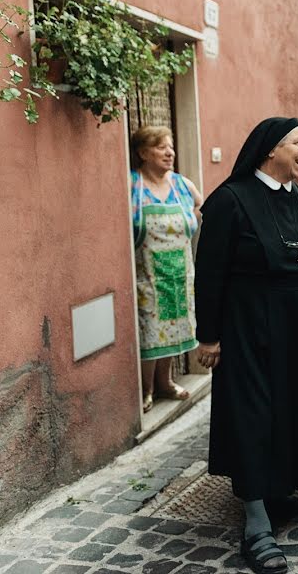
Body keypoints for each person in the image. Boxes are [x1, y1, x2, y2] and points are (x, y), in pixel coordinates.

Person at [194, 117, 298, 574]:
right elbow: (209, 274)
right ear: (270, 150)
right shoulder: (230, 201)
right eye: (297, 143)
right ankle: (254, 523)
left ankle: (278, 490)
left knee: (293, 408)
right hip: (249, 325)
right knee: (253, 413)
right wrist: (208, 335)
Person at [129, 126, 202, 413]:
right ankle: (146, 389)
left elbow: (201, 204)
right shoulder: (133, 185)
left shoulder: (182, 185)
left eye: (170, 147)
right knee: (150, 330)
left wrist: (192, 220)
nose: (170, 152)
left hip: (179, 273)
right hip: (146, 274)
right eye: (161, 147)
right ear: (143, 153)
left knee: (175, 328)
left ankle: (166, 382)